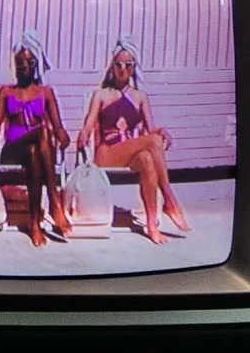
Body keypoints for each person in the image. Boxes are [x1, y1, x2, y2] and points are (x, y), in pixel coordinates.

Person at [76, 45, 192, 245]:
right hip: (107, 153)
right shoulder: (101, 94)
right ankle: (170, 200)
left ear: (133, 68)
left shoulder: (141, 97)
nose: (123, 69)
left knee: (147, 158)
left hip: (129, 151)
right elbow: (88, 124)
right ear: (112, 67)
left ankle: (152, 226)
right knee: (153, 142)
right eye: (118, 64)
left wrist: (161, 131)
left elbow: (150, 129)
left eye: (128, 65)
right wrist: (84, 135)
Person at [0, 45, 73, 250]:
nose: (24, 66)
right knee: (43, 132)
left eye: (29, 62)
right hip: (13, 149)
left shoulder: (46, 93)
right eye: (20, 63)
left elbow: (59, 129)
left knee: (35, 154)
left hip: (34, 152)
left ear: (36, 66)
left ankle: (35, 223)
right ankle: (53, 200)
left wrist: (65, 138)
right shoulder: (6, 92)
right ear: (14, 67)